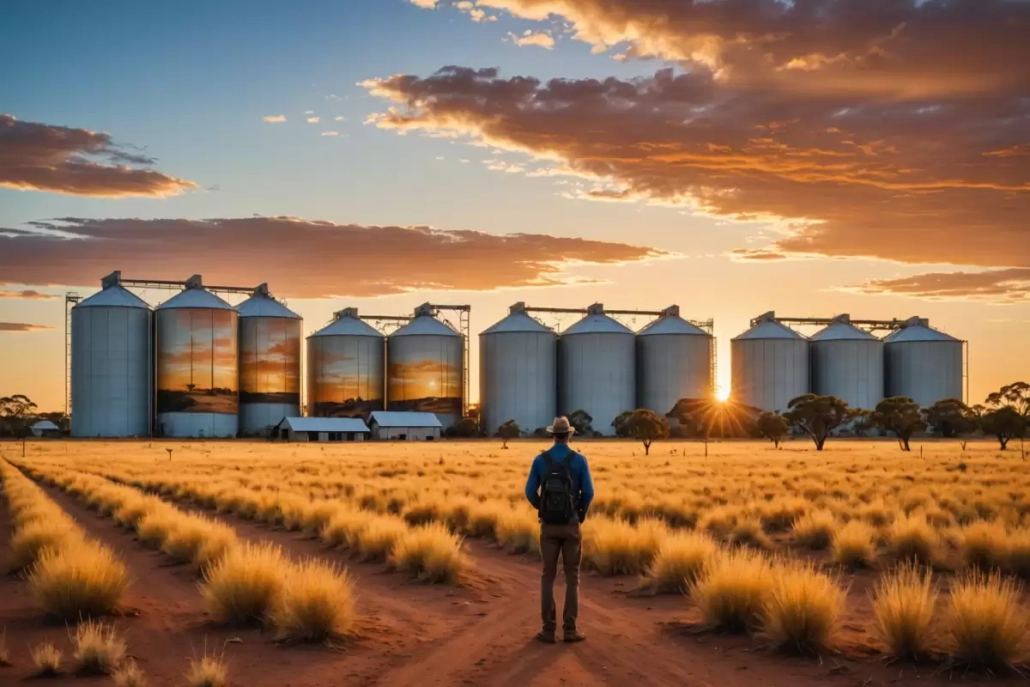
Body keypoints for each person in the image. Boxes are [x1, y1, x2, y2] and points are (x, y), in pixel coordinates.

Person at [524, 416, 594, 644]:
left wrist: (542, 508)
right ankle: (570, 630)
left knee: (548, 577)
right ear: (569, 435)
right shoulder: (579, 461)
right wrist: (579, 513)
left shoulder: (540, 460)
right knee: (572, 578)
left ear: (553, 434)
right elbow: (589, 493)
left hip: (548, 527)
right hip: (571, 525)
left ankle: (548, 630)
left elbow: (529, 491)